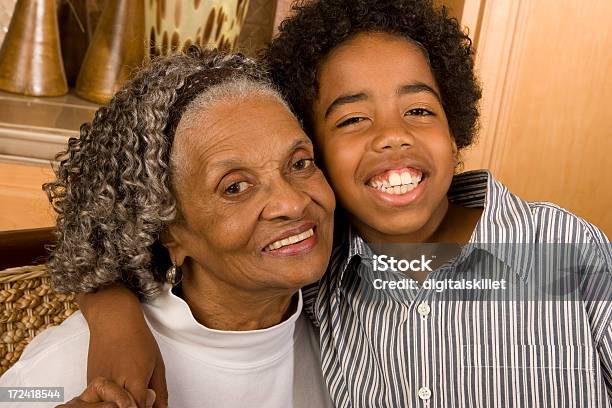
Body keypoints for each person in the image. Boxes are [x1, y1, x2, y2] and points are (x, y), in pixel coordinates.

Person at [52, 0, 612, 407]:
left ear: (455, 125)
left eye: (420, 111)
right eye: (352, 120)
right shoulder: (317, 268)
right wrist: (116, 321)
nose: (392, 136)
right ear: (317, 149)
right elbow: (132, 242)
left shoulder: (565, 250)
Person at [0, 48, 336, 408]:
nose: (293, 203)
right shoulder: (63, 368)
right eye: (235, 187)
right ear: (168, 230)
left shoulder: (352, 337)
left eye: (300, 163)